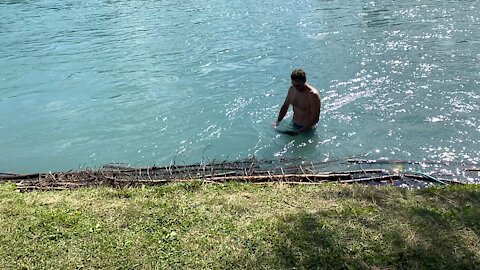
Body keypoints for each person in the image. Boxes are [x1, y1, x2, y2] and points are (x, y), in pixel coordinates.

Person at [273, 69, 321, 135]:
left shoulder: (313, 95)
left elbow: (315, 118)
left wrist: (300, 131)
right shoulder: (292, 89)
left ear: (304, 81)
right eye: (294, 84)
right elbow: (285, 106)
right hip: (294, 124)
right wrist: (277, 121)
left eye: (298, 85)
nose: (296, 88)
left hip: (307, 129)